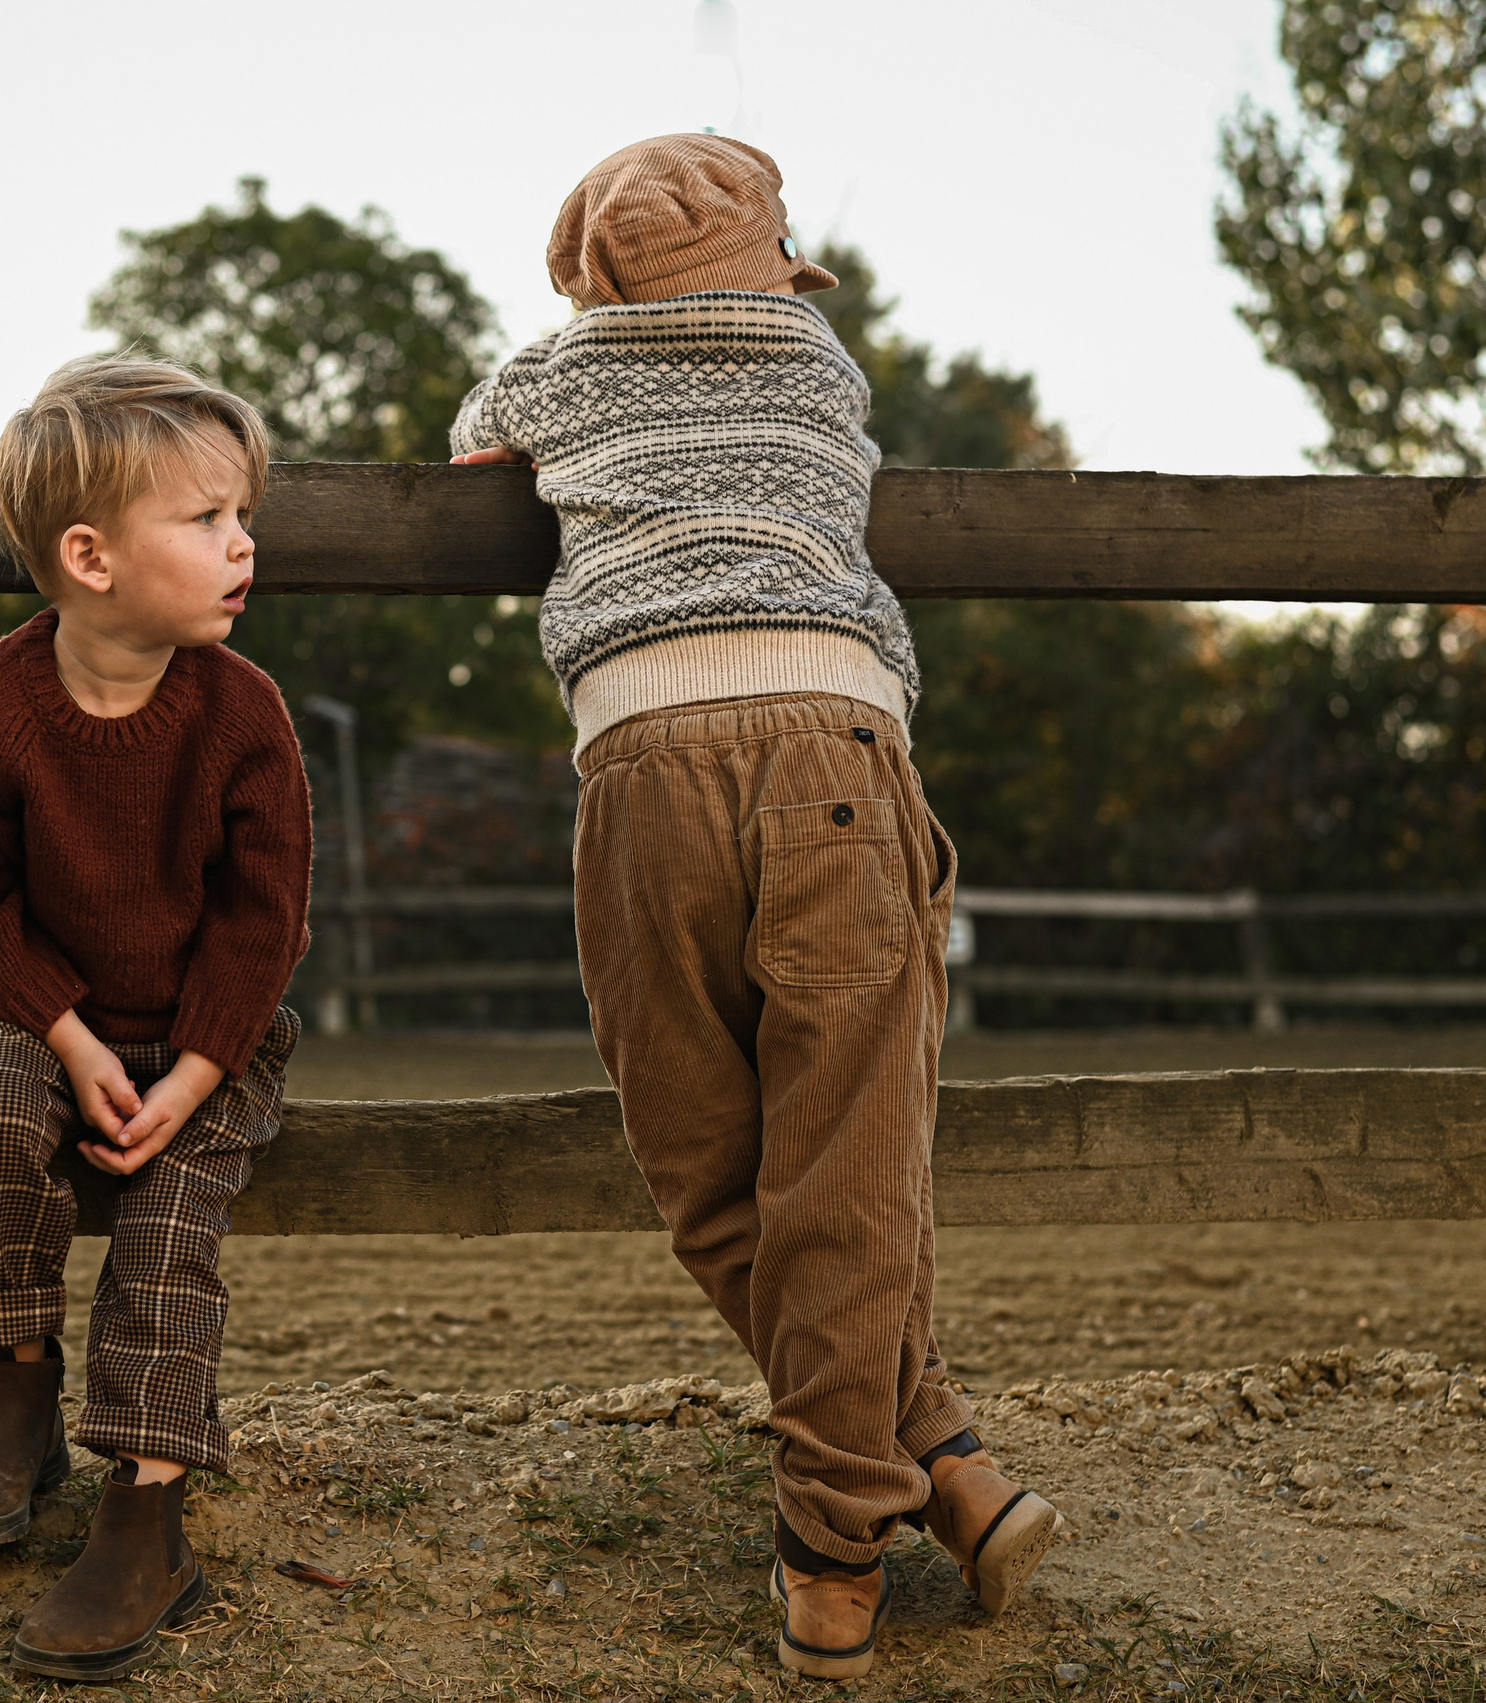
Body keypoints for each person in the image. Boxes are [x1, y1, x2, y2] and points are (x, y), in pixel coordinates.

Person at [449, 134, 1061, 1681]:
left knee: (703, 1165)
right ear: (775, 269)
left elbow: (474, 460)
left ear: (588, 279)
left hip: (639, 765)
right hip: (832, 743)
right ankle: (903, 1482)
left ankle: (866, 1505)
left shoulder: (548, 373)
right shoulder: (816, 357)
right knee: (848, 1163)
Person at [0, 357, 311, 1682]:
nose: (242, 542)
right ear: (90, 555)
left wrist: (194, 1077)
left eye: (240, 515)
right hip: (47, 1023)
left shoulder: (243, 716)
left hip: (214, 1038)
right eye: (205, 520)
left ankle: (147, 1514)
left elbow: (263, 925)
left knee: (165, 1242)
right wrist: (71, 1043)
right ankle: (11, 1393)